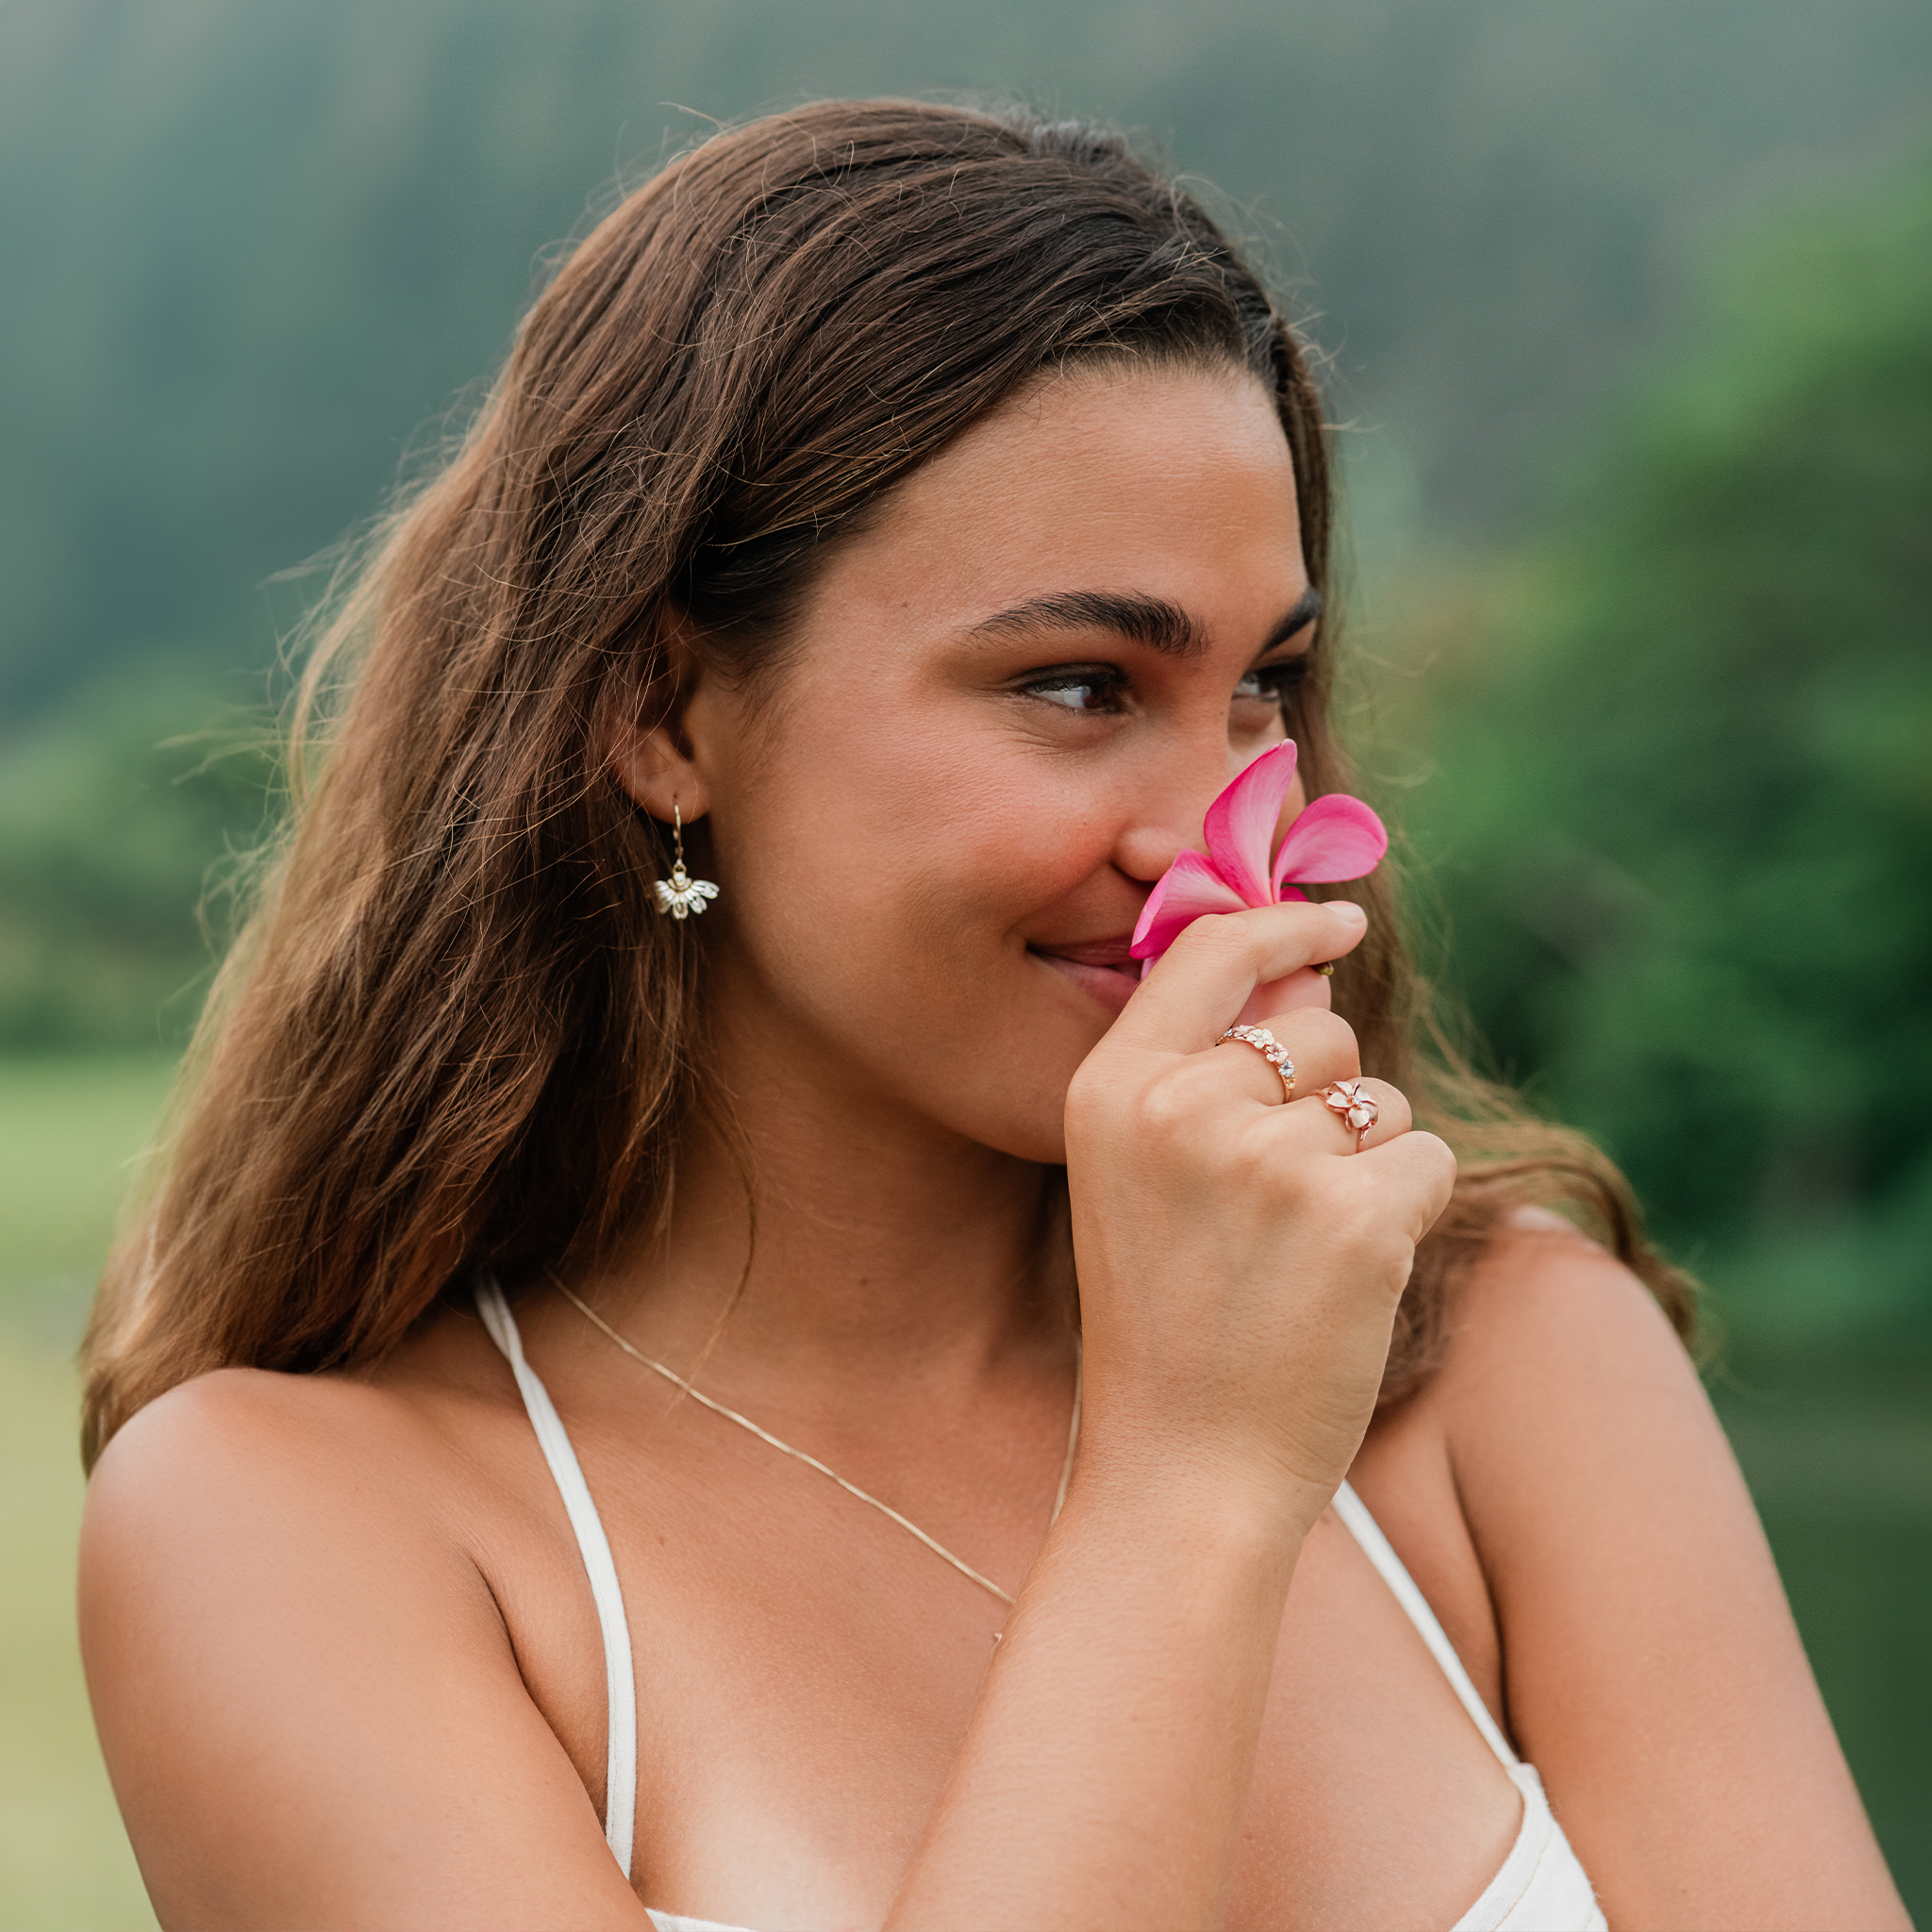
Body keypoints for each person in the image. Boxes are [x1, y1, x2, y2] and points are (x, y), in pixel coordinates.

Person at [75, 100, 1905, 1931]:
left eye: (1262, 685)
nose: (1223, 843)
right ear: (664, 715)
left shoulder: (1508, 1363)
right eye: (1078, 684)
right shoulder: (294, 1534)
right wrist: (1183, 1485)